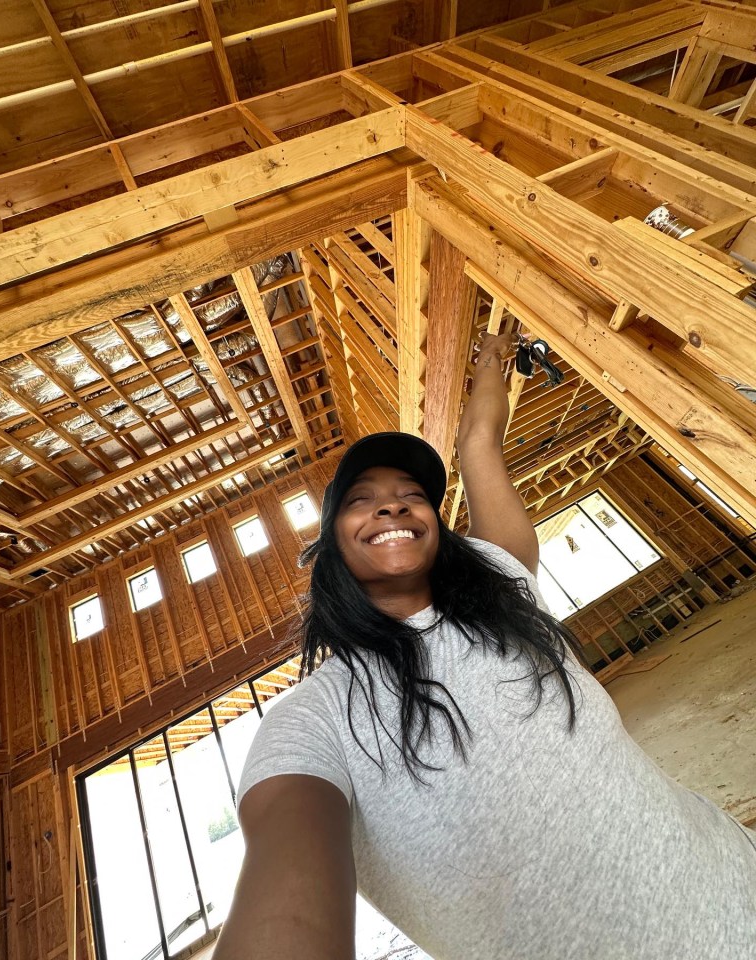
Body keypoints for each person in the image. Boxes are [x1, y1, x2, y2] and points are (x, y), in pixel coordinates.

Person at [213, 333, 756, 960]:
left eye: (411, 495)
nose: (391, 503)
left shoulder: (505, 589)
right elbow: (287, 911)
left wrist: (492, 359)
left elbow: (478, 441)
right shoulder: (313, 720)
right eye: (359, 501)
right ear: (330, 551)